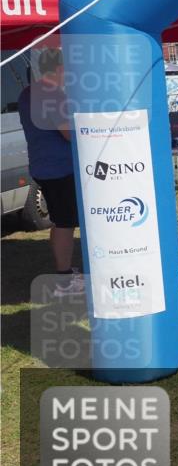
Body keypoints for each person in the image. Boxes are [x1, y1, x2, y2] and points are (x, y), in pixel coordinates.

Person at [17, 49, 82, 294]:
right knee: (66, 222)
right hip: (60, 167)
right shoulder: (51, 94)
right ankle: (64, 280)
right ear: (59, 69)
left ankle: (64, 272)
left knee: (59, 219)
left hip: (42, 165)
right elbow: (67, 133)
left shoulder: (27, 93)